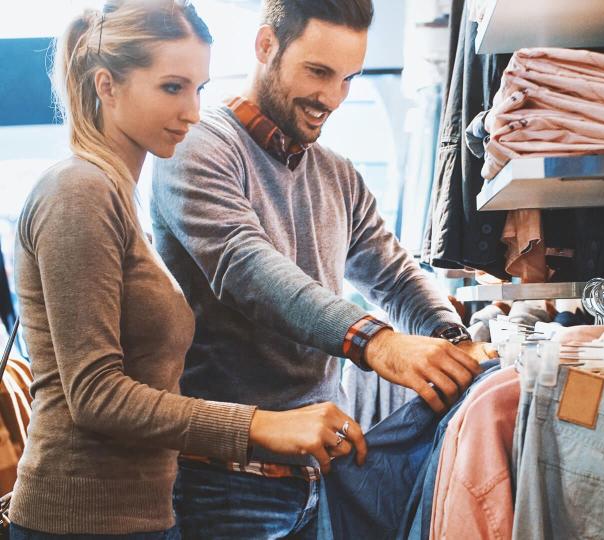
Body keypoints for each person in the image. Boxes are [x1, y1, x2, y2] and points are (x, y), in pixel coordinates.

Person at [10, 1, 368, 537]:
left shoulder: (117, 199)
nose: (194, 112)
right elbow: (96, 396)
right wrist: (262, 426)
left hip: (141, 517)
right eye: (172, 88)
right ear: (107, 86)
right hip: (81, 522)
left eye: (199, 89)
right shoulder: (78, 192)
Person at [151, 0, 493, 536]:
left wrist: (451, 339)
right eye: (318, 72)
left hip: (324, 474)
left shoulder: (338, 175)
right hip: (225, 484)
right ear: (266, 47)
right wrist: (376, 342)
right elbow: (249, 269)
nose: (332, 98)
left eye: (348, 78)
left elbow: (393, 274)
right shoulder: (198, 148)